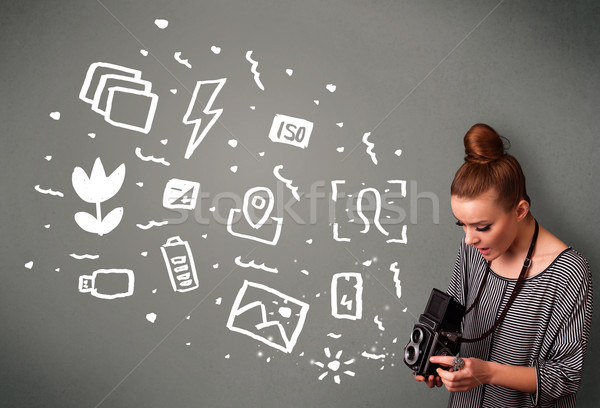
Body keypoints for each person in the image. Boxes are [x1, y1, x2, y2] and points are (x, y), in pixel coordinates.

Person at [414, 123, 593, 407]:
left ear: (520, 210)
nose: (469, 238)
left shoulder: (567, 270)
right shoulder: (473, 246)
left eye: (482, 226)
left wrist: (486, 373)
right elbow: (453, 325)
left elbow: (566, 376)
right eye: (462, 225)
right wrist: (437, 361)